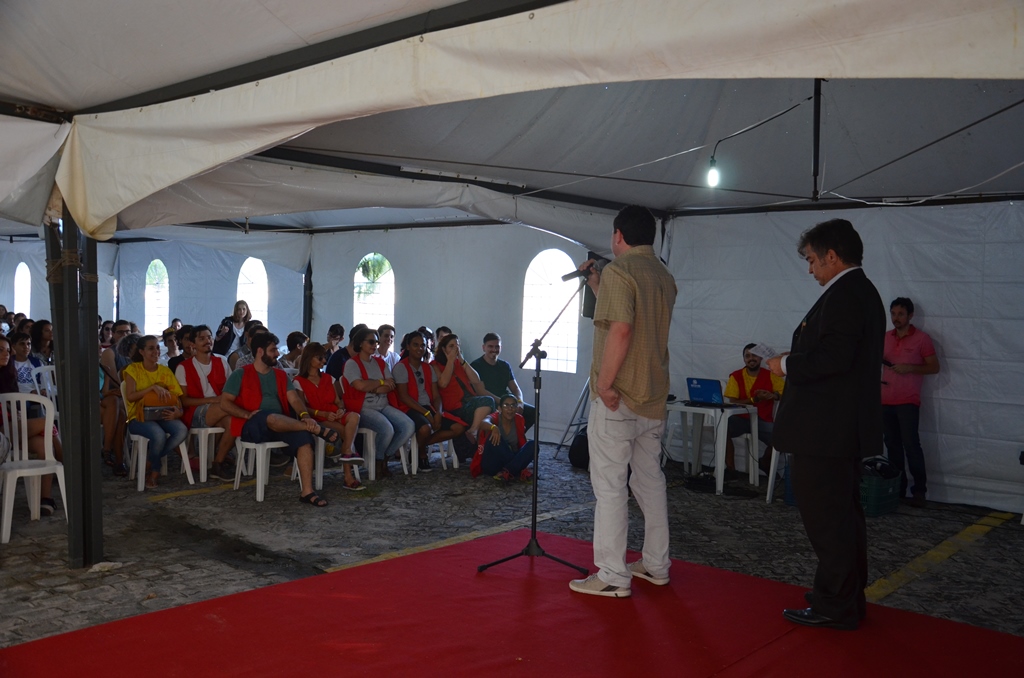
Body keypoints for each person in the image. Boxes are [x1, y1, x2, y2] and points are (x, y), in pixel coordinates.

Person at [766, 218, 884, 631]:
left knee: (828, 521)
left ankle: (837, 603)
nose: (811, 269)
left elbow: (834, 359)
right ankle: (843, 595)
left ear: (833, 256)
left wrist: (785, 364)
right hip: (837, 428)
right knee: (843, 518)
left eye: (813, 260)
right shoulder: (857, 292)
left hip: (826, 430)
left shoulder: (847, 295)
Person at [568, 205, 677, 599]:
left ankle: (613, 574)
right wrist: (597, 285)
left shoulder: (621, 271)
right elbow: (633, 318)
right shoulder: (663, 275)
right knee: (650, 482)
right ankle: (655, 563)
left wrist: (606, 383)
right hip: (652, 395)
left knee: (611, 487)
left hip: (619, 399)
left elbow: (623, 329)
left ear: (618, 236)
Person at [219, 331, 339, 507]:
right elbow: (224, 403)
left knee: (304, 441)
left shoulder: (280, 375)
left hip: (283, 424)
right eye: (273, 350)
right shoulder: (240, 374)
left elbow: (295, 399)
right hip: (252, 424)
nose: (277, 353)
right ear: (260, 351)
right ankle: (316, 429)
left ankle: (307, 491)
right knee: (269, 416)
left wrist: (305, 416)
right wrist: (245, 414)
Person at [882, 297, 940, 508]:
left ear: (911, 316)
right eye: (894, 314)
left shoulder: (922, 339)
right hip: (885, 400)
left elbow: (934, 367)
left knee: (911, 445)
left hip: (907, 401)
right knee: (892, 446)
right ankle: (898, 489)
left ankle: (919, 491)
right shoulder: (885, 337)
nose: (896, 318)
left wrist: (910, 368)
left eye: (900, 314)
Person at [0, 334, 64, 515]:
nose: (6, 354)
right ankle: (65, 463)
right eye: (0, 350)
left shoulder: (8, 373)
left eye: (6, 350)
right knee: (46, 422)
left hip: (13, 427)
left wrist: (15, 413)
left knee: (43, 444)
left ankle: (45, 498)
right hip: (2, 430)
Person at [341, 327, 415, 478]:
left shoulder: (380, 363)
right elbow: (359, 386)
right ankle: (378, 461)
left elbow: (390, 385)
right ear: (360, 343)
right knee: (387, 429)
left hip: (384, 404)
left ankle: (384, 457)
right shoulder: (352, 364)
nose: (375, 345)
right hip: (363, 408)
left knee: (408, 425)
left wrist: (371, 387)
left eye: (376, 341)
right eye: (371, 342)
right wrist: (380, 382)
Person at [292, 342, 364, 491]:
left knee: (354, 416)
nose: (323, 361)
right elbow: (302, 408)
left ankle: (347, 451)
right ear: (309, 358)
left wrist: (341, 409)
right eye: (320, 358)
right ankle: (348, 473)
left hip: (333, 414)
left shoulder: (329, 378)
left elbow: (339, 401)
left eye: (323, 358)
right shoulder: (299, 382)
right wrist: (322, 413)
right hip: (318, 419)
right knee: (344, 431)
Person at [123, 335, 189, 490]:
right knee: (158, 434)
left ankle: (151, 460)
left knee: (181, 430)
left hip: (162, 414)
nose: (156, 351)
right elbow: (131, 397)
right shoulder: (133, 369)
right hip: (138, 417)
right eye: (151, 348)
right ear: (142, 351)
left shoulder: (165, 371)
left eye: (157, 348)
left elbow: (177, 398)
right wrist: (151, 388)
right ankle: (155, 471)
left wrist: (178, 413)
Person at [394, 330, 463, 470]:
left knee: (458, 428)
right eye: (415, 345)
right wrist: (426, 414)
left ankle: (419, 446)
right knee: (425, 428)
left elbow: (436, 395)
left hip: (428, 406)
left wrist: (438, 412)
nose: (420, 348)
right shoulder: (401, 367)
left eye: (422, 345)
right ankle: (422, 454)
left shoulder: (428, 367)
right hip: (409, 408)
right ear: (408, 346)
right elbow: (404, 397)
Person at [175, 325, 237, 481]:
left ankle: (217, 463)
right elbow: (184, 401)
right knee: (230, 409)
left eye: (209, 337)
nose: (207, 341)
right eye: (201, 338)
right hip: (194, 412)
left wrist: (221, 401)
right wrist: (212, 400)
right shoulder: (183, 367)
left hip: (221, 409)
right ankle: (247, 415)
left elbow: (231, 390)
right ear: (192, 344)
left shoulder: (222, 361)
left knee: (232, 422)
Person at [723, 343, 785, 477]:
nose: (751, 359)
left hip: (762, 419)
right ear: (744, 359)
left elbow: (785, 393)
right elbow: (733, 402)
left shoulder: (772, 375)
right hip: (740, 418)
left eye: (754, 355)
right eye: (747, 356)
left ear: (761, 358)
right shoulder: (736, 376)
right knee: (722, 429)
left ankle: (765, 461)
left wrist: (773, 395)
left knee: (782, 437)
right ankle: (731, 470)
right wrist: (754, 400)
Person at [470, 332, 536, 433]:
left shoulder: (505, 365)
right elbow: (481, 391)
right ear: (483, 348)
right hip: (490, 403)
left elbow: (515, 388)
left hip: (506, 400)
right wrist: (504, 403)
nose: (494, 350)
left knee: (532, 412)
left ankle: (516, 437)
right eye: (490, 346)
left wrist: (519, 402)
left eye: (497, 346)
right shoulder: (476, 365)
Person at [433, 333, 495, 441]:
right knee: (487, 402)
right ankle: (474, 432)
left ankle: (473, 431)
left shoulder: (460, 363)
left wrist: (462, 360)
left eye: (457, 345)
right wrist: (450, 362)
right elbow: (443, 383)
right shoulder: (435, 364)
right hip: (453, 407)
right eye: (451, 346)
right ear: (443, 349)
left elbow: (476, 380)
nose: (455, 349)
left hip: (469, 401)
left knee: (490, 408)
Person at [471, 394, 534, 482]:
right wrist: (494, 427)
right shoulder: (495, 417)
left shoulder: (519, 419)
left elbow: (521, 443)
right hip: (493, 463)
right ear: (500, 408)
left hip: (510, 457)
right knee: (495, 437)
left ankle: (507, 471)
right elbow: (483, 422)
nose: (510, 408)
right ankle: (516, 469)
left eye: (513, 405)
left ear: (516, 408)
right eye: (506, 405)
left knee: (533, 445)